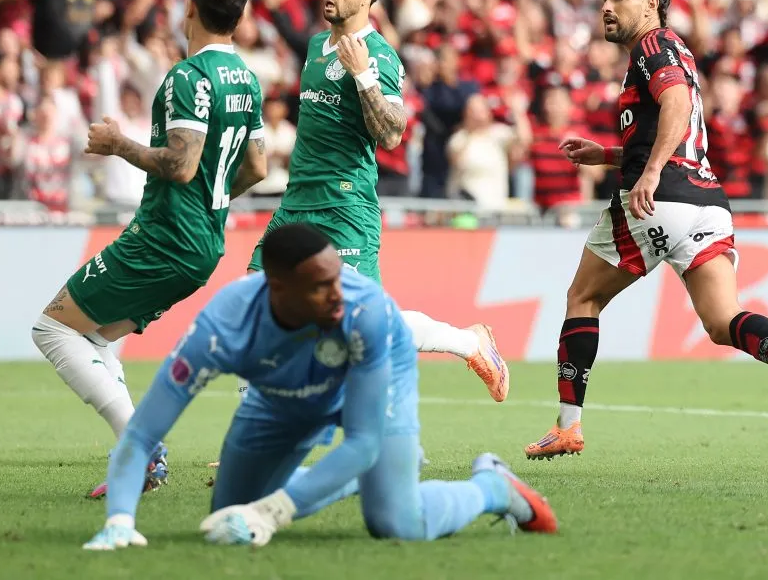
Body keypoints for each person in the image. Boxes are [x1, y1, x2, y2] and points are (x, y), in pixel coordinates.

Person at [523, 0, 768, 461]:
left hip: (660, 196)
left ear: (651, 5)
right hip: (706, 202)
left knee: (582, 297)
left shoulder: (653, 45)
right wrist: (609, 155)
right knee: (721, 321)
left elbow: (677, 108)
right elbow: (675, 130)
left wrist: (646, 175)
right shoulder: (672, 52)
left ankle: (568, 426)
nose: (606, 6)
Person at [82, 224, 557, 551]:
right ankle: (353, 477)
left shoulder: (367, 312)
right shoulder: (222, 328)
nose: (339, 293)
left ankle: (492, 487)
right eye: (321, 285)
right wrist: (119, 522)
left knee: (397, 522)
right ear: (277, 289)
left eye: (338, 278)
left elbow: (365, 439)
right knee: (229, 514)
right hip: (279, 400)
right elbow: (143, 432)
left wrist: (276, 511)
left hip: (363, 394)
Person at [29, 0, 268, 496]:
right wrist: (213, 199)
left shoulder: (190, 77)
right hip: (204, 242)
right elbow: (257, 167)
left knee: (52, 329)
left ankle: (141, 445)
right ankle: (138, 456)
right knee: (93, 337)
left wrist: (118, 145)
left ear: (189, 7)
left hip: (164, 237)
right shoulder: (246, 79)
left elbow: (182, 165)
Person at [245, 0, 509, 403]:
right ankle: (252, 437)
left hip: (345, 207)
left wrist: (363, 76)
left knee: (364, 322)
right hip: (296, 204)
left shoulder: (380, 57)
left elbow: (390, 134)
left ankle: (469, 343)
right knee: (255, 306)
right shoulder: (314, 46)